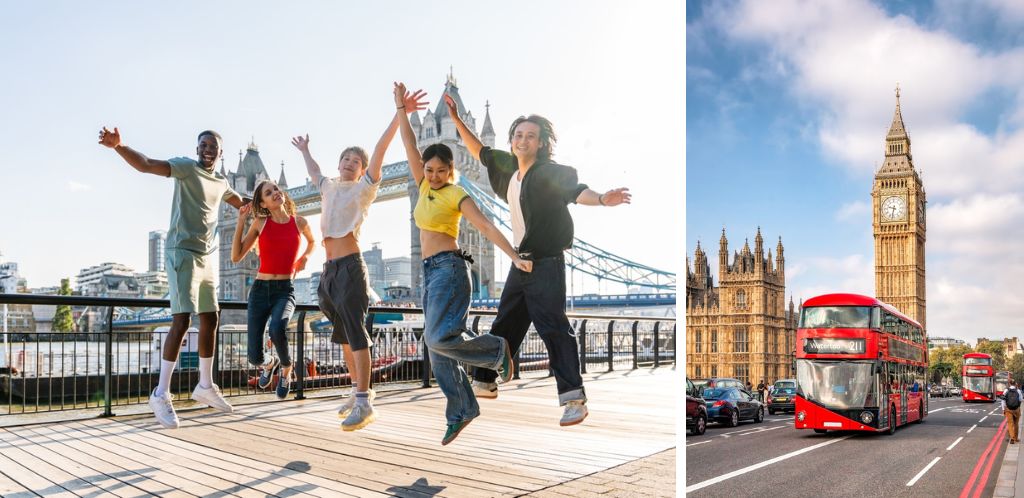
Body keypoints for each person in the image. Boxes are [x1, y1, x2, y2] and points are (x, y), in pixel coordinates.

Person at [445, 95, 631, 426]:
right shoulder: (507, 174)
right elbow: (480, 153)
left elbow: (577, 192)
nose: (523, 140)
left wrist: (603, 199)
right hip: (521, 260)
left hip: (546, 260)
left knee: (552, 326)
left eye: (530, 136)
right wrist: (457, 121)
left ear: (542, 142)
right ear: (512, 141)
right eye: (518, 135)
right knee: (504, 324)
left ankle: (574, 398)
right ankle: (486, 381)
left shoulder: (550, 172)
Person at [394, 83, 533, 444]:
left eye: (441, 170)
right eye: (429, 169)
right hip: (429, 274)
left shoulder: (459, 193)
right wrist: (401, 110)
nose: (434, 175)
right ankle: (461, 409)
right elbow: (409, 143)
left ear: (452, 170)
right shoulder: (423, 186)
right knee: (435, 345)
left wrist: (514, 256)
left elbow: (486, 225)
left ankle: (494, 351)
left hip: (451, 270)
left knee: (439, 338)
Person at [98, 127, 247, 429]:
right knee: (182, 320)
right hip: (182, 252)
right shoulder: (185, 168)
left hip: (206, 257)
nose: (207, 150)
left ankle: (205, 385)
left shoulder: (221, 182)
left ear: (221, 153)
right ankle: (160, 392)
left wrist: (272, 206)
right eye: (202, 145)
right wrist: (119, 146)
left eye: (212, 146)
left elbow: (243, 202)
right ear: (197, 150)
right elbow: (147, 164)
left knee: (211, 318)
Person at [291, 109, 400, 431]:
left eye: (356, 161)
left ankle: (366, 400)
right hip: (328, 271)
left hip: (351, 267)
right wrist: (305, 150)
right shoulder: (328, 187)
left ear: (363, 169)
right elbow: (314, 172)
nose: (350, 163)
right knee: (342, 337)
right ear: (339, 164)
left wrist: (398, 114)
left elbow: (380, 151)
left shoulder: (364, 188)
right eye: (346, 159)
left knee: (356, 334)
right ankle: (356, 390)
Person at [231, 180, 315, 400]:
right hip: (259, 291)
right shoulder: (260, 223)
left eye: (276, 189)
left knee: (277, 328)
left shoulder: (300, 222)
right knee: (255, 357)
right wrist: (241, 221)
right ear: (264, 203)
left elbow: (312, 241)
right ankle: (271, 363)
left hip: (284, 290)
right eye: (269, 193)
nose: (276, 193)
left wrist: (305, 257)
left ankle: (286, 369)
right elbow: (236, 256)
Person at [1002, 379, 1021, 444]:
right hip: (1016, 409)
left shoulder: (1006, 390)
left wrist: (1003, 409)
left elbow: (1003, 401)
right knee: (1016, 424)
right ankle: (1016, 438)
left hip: (1009, 409)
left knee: (1010, 424)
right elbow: (1020, 399)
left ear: (1009, 384)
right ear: (1015, 383)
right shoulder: (1018, 391)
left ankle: (1012, 438)